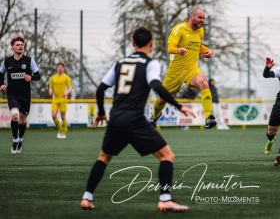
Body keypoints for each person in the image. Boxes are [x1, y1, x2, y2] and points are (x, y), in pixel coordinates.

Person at [80, 27, 195, 212]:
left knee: (103, 158)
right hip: (135, 120)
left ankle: (87, 197)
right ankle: (165, 199)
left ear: (133, 44)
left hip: (116, 118)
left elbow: (101, 89)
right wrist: (180, 106)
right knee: (167, 156)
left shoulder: (119, 63)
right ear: (152, 44)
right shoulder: (150, 63)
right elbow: (156, 85)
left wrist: (101, 112)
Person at [149, 8, 217, 129]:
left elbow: (198, 46)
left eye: (203, 18)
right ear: (192, 17)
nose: (202, 20)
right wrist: (178, 50)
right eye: (199, 17)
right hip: (175, 72)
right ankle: (154, 117)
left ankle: (209, 117)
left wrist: (209, 50)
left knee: (203, 83)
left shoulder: (200, 31)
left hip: (191, 70)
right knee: (161, 100)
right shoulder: (179, 29)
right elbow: (170, 48)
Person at [0, 36, 41, 154]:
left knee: (22, 121)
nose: (20, 46)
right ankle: (14, 140)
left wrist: (31, 77)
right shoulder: (7, 62)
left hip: (25, 96)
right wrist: (1, 84)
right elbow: (1, 73)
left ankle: (20, 139)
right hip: (12, 94)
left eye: (22, 45)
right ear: (12, 47)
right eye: (18, 45)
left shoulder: (29, 61)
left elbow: (38, 75)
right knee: (15, 116)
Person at [49, 63, 72, 139]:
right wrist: (50, 91)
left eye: (61, 67)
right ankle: (60, 128)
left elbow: (70, 87)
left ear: (63, 68)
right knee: (53, 115)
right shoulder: (53, 78)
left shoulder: (66, 77)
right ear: (56, 68)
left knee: (63, 116)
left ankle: (63, 132)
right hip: (55, 99)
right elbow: (50, 87)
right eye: (59, 67)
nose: (60, 68)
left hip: (63, 99)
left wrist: (66, 93)